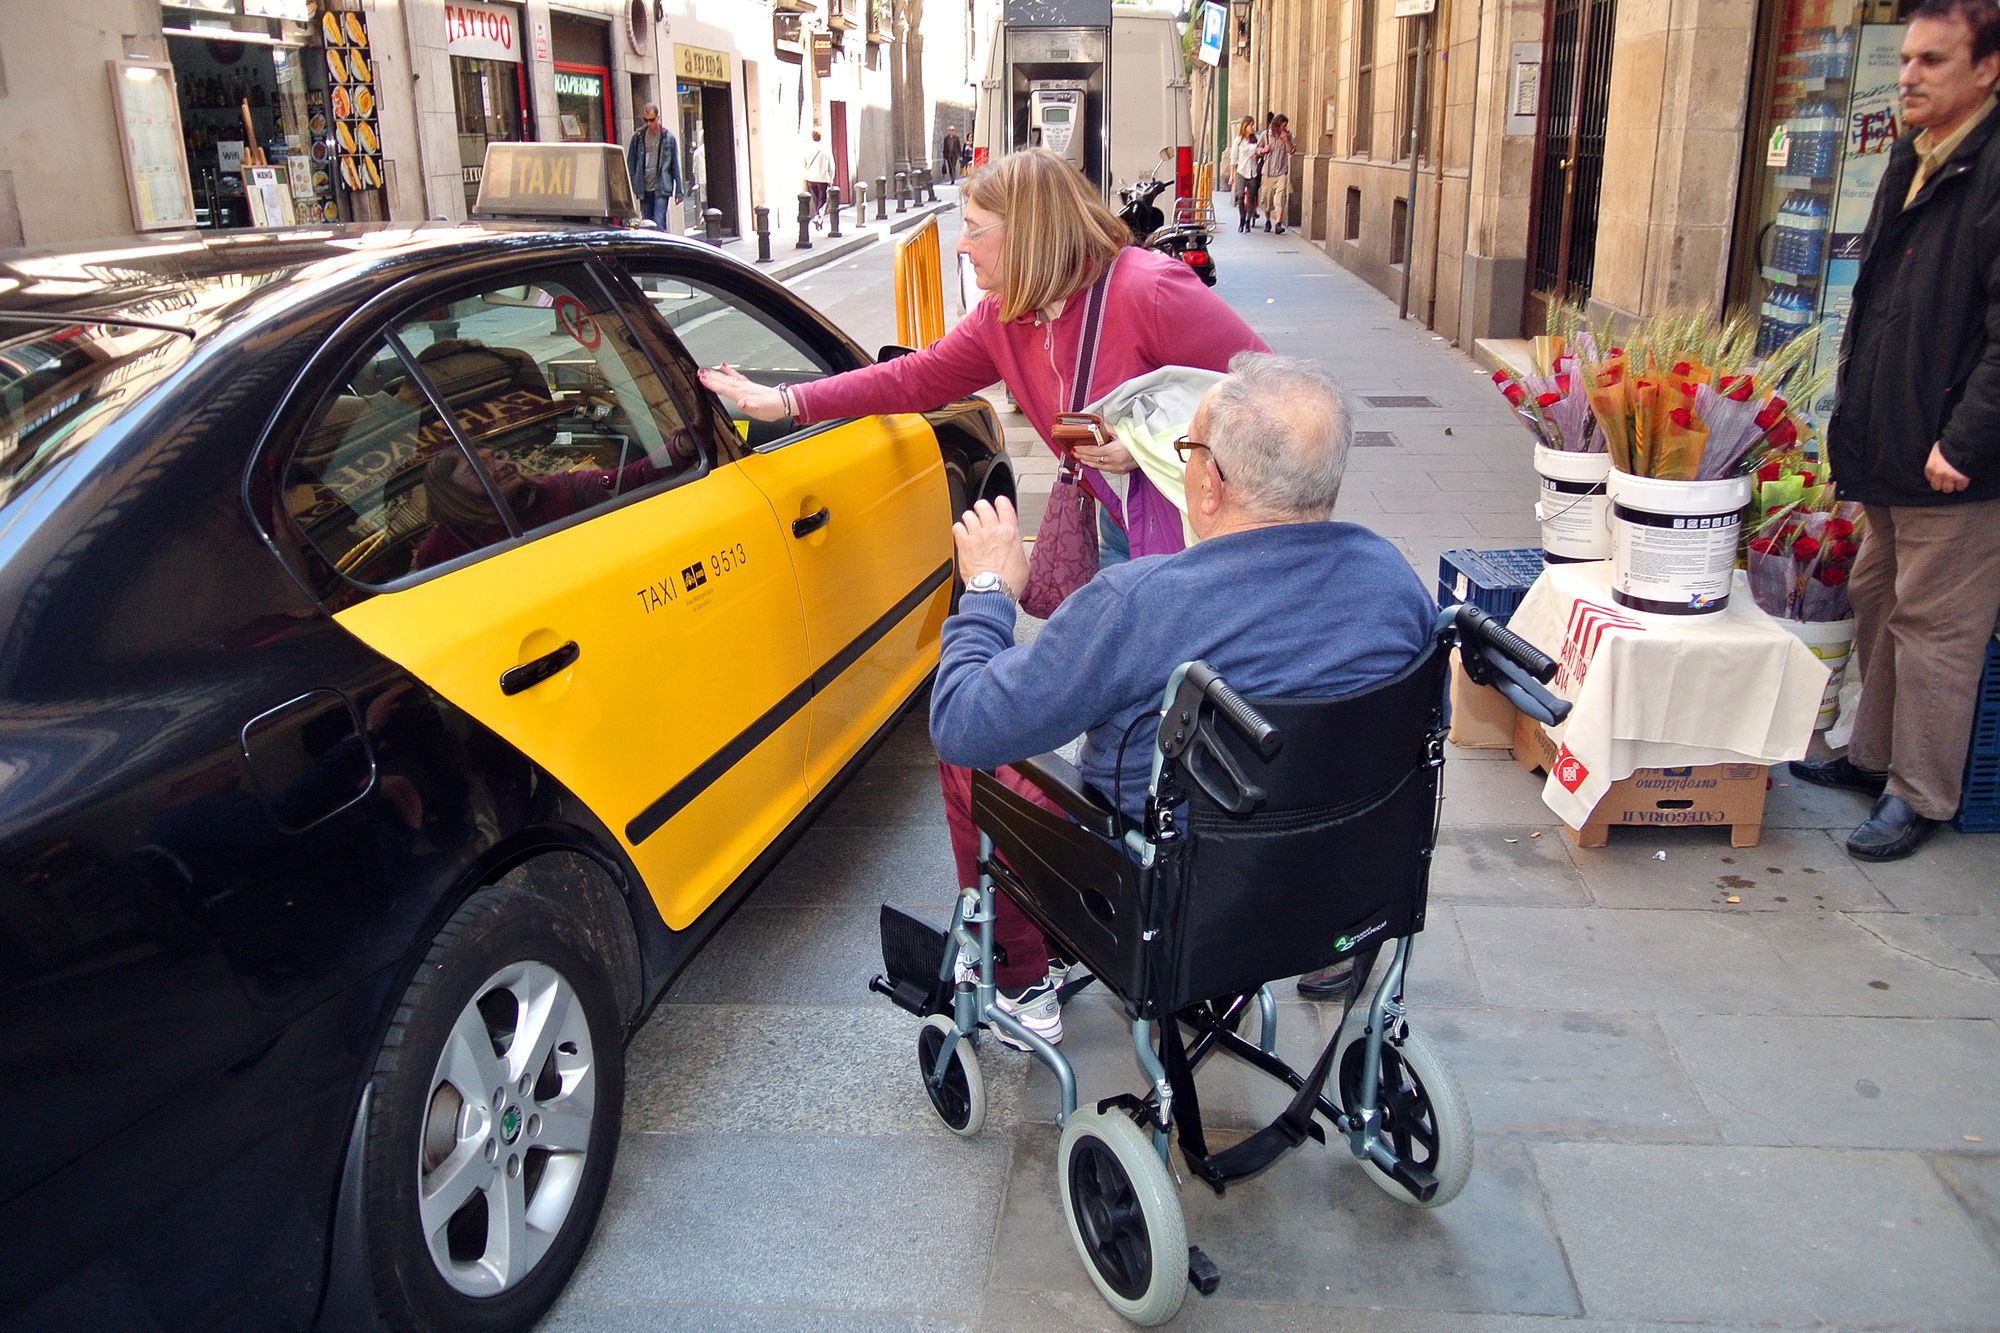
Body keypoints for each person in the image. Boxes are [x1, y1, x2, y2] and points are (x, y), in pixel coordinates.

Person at [929, 353, 1437, 1044]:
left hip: (1164, 890)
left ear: (1208, 483)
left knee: (974, 762)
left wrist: (988, 590)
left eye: (1189, 447)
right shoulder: (1394, 584)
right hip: (1335, 877)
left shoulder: (1140, 602)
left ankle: (1017, 976)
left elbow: (963, 721)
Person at [698, 147, 1267, 566]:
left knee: (1165, 708)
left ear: (1027, 232)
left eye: (972, 229)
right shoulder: (1007, 316)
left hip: (1205, 534)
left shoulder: (1148, 289)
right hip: (1123, 525)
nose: (961, 245)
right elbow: (914, 378)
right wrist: (788, 400)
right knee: (1126, 710)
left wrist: (1149, 447)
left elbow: (1273, 395)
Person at [1790, 0, 2000, 862]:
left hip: (1953, 462)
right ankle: (1872, 757)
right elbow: (1879, 303)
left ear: (1987, 70)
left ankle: (1921, 793)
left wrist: (1966, 439)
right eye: (1906, 59)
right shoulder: (1915, 158)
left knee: (1937, 631)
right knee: (1875, 596)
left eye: (1933, 61)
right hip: (1889, 444)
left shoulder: (1989, 168)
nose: (1908, 75)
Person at [626, 103, 683, 232]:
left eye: (651, 120)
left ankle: (663, 250)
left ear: (658, 118)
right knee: (647, 224)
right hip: (643, 188)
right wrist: (634, 184)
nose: (648, 123)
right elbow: (631, 163)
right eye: (645, 120)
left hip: (662, 187)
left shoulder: (668, 138)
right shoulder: (638, 137)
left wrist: (679, 191)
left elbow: (675, 165)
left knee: (658, 221)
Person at [1260, 113, 1296, 234]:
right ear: (1278, 125)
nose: (1285, 127)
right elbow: (1257, 149)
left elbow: (1291, 151)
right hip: (1268, 172)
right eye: (1284, 125)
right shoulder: (1266, 135)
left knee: (1280, 198)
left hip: (1281, 172)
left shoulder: (1288, 135)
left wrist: (1286, 140)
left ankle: (1278, 223)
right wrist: (1263, 150)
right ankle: (1268, 220)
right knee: (1267, 199)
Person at [1231, 116, 1264, 233]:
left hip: (1253, 171)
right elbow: (1233, 159)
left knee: (1251, 197)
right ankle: (1241, 219)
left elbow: (1260, 151)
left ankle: (1248, 222)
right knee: (1240, 197)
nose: (1253, 127)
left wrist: (1259, 154)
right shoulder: (1238, 141)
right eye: (1251, 125)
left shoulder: (1256, 139)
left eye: (1253, 125)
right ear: (1245, 126)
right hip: (1241, 171)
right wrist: (1231, 176)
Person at [803, 130, 835, 228]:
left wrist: (805, 176)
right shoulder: (825, 149)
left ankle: (818, 218)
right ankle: (819, 217)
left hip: (811, 178)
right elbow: (832, 166)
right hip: (822, 178)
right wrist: (831, 178)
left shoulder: (808, 149)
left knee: (816, 199)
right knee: (823, 200)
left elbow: (804, 164)